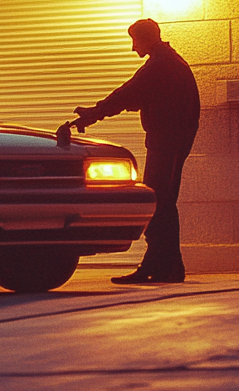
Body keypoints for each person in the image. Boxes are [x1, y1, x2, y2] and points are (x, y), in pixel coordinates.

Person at [74, 18, 200, 284]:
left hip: (165, 142)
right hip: (173, 141)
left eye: (135, 41)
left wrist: (92, 115)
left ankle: (156, 266)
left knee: (157, 203)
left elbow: (126, 94)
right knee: (164, 204)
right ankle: (168, 266)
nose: (133, 48)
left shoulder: (160, 65)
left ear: (146, 38)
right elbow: (134, 96)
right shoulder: (173, 62)